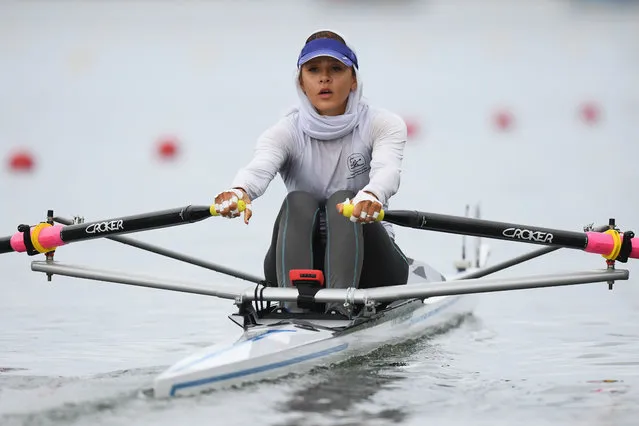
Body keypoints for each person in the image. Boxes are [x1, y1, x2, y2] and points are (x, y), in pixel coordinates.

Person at [213, 30, 410, 315]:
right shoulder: (285, 132)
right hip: (297, 266)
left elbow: (388, 172)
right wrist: (237, 192)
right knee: (298, 201)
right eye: (314, 70)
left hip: (373, 269)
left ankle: (341, 307)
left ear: (353, 79)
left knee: (344, 200)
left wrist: (371, 195)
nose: (324, 78)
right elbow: (258, 169)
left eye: (336, 69)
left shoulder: (383, 124)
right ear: (301, 82)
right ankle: (293, 310)